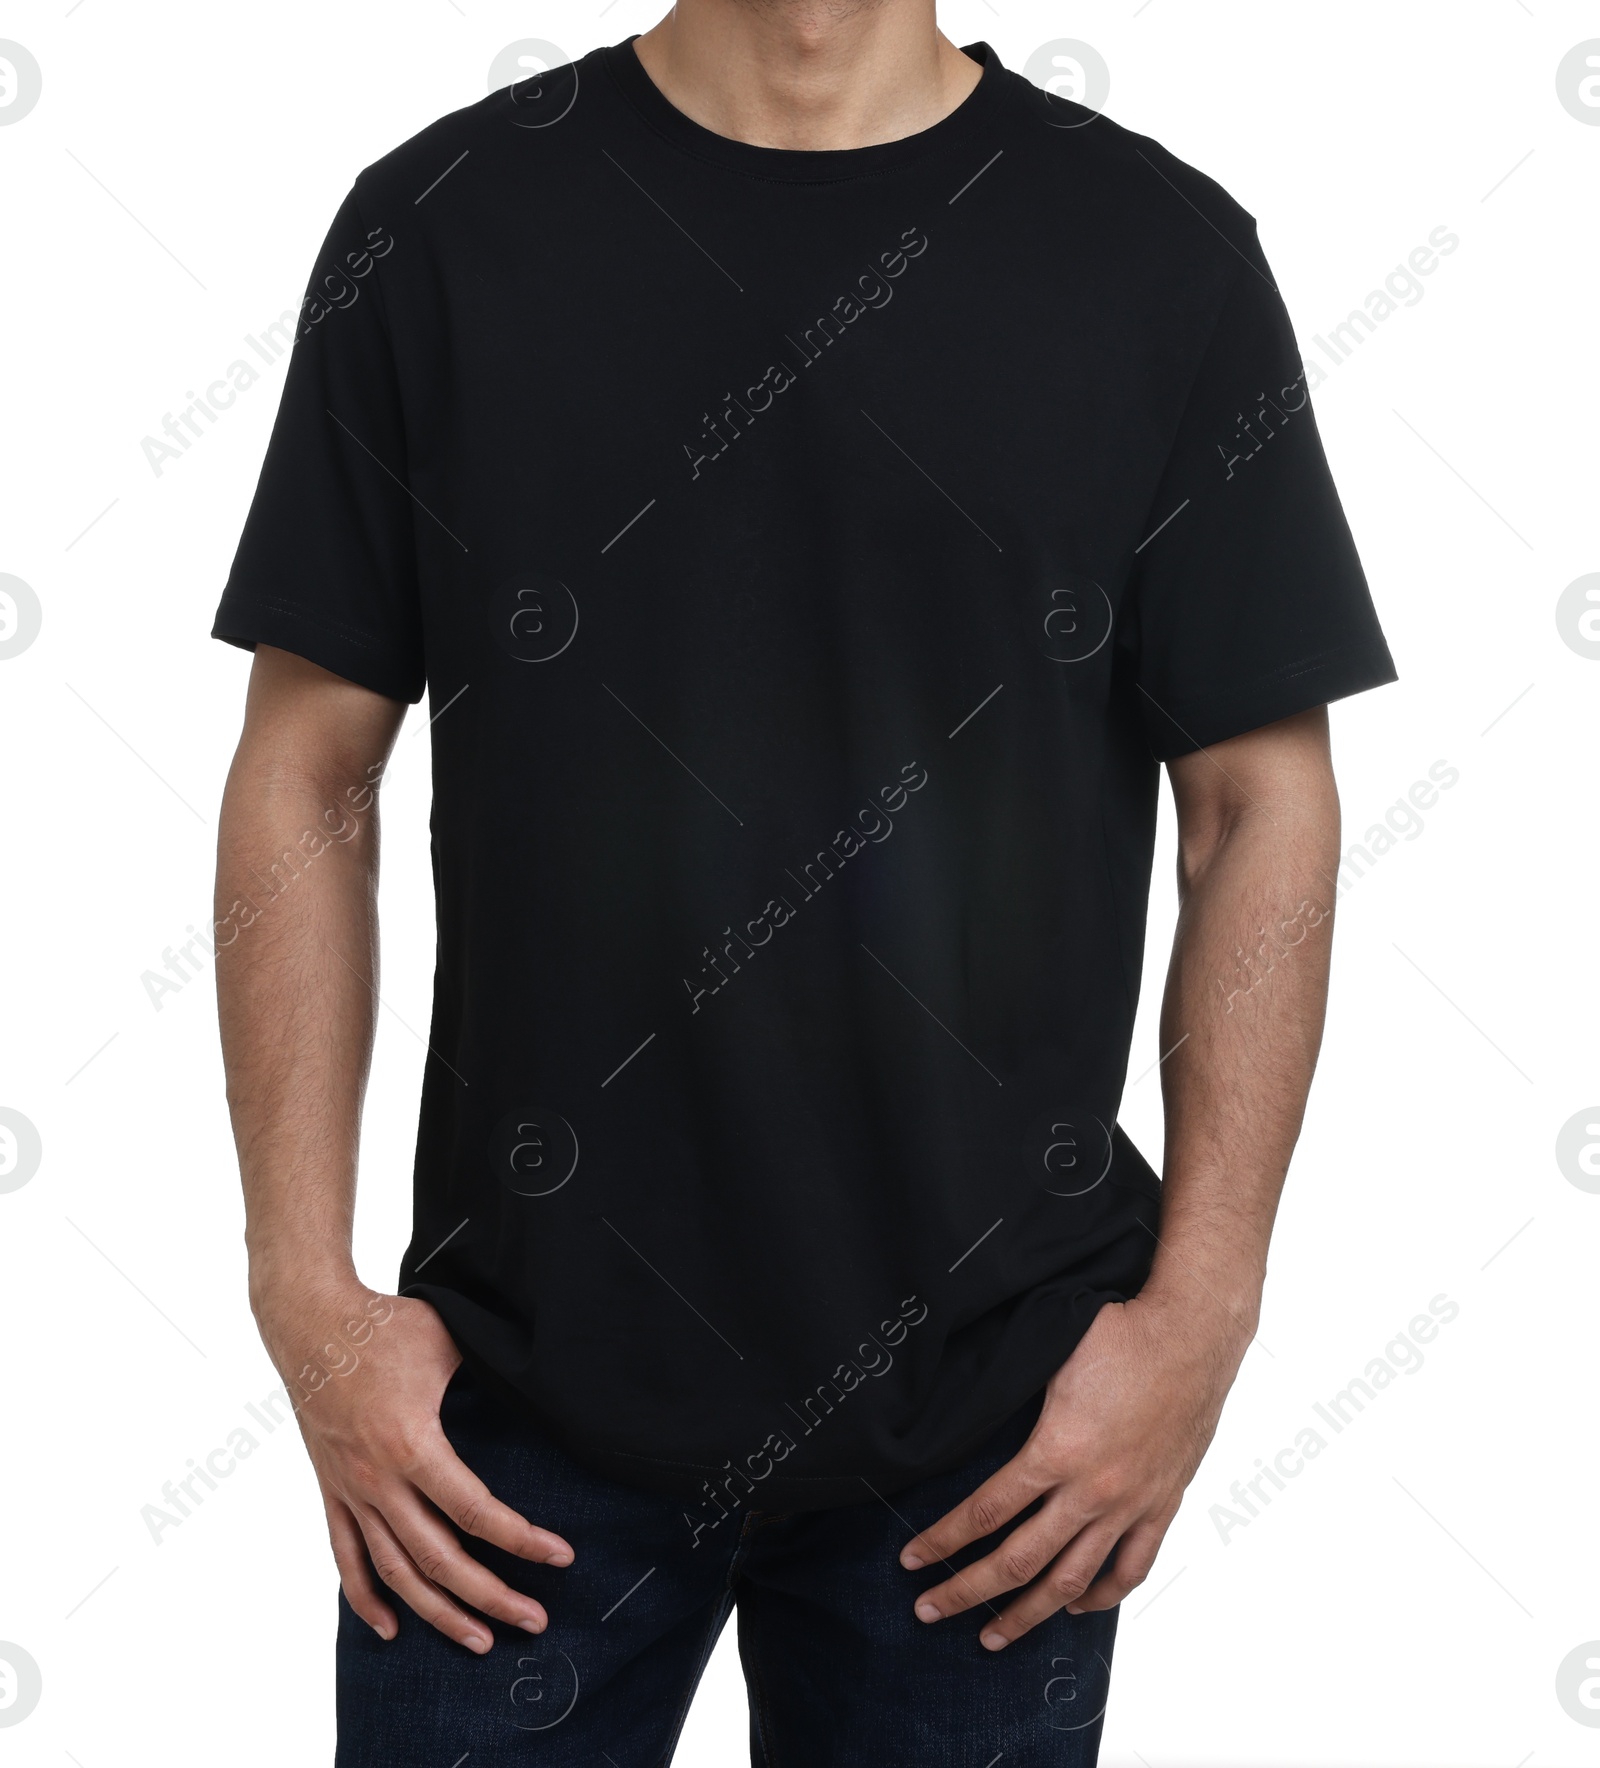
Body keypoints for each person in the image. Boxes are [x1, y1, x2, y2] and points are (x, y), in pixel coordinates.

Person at [211, 1, 1396, 1761]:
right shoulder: (446, 228)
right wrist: (302, 1293)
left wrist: (1205, 1308)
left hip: (993, 1431)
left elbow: (1257, 804)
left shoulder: (1157, 260)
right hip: (510, 1413)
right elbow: (308, 768)